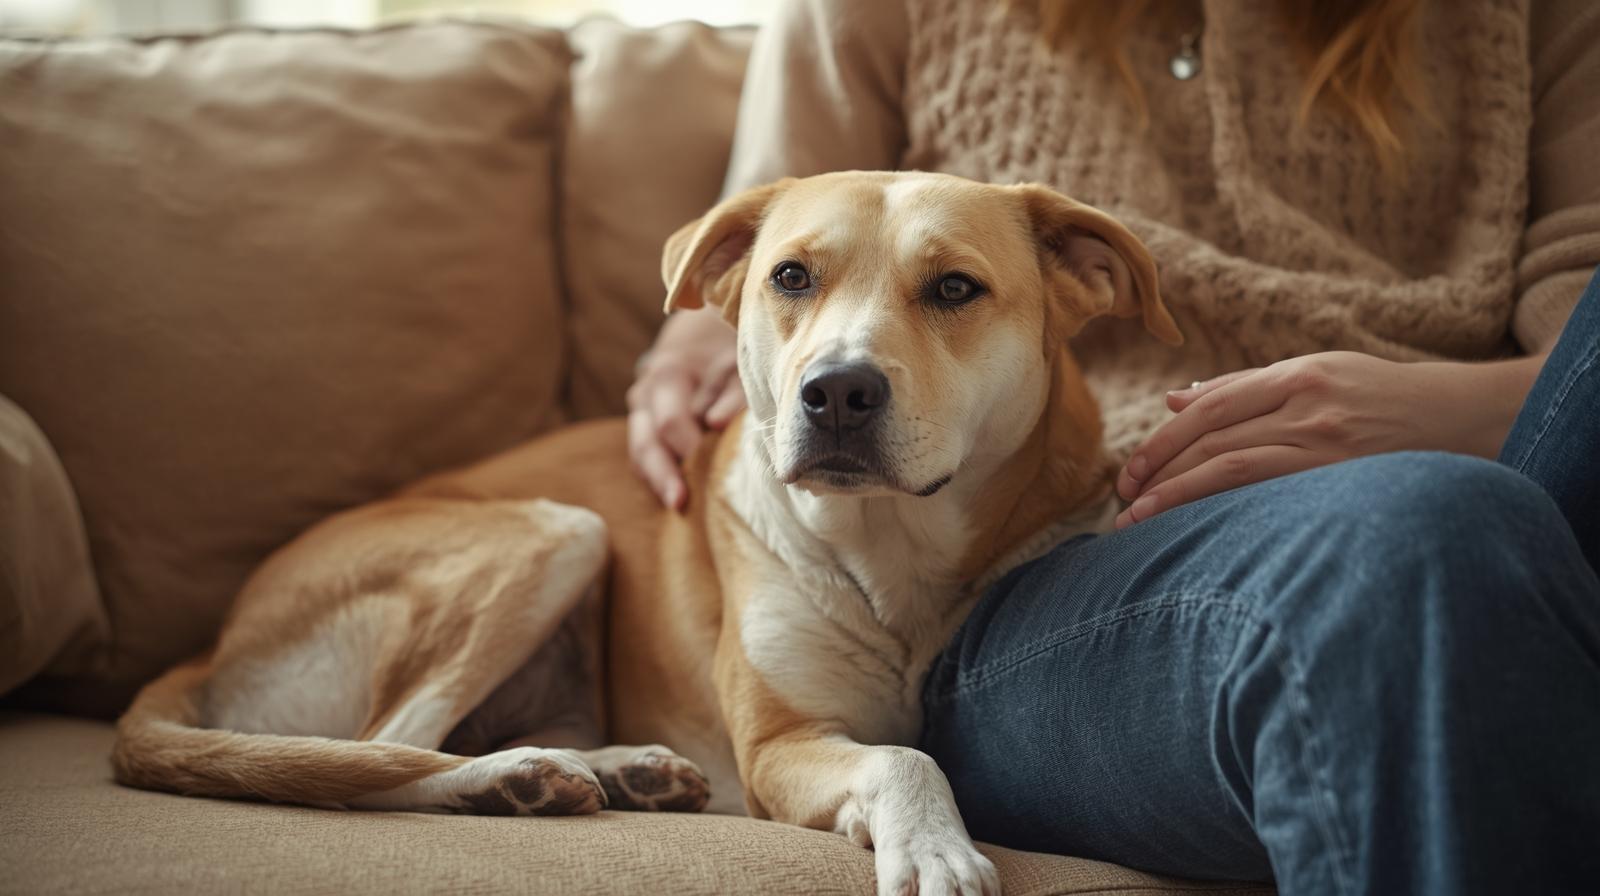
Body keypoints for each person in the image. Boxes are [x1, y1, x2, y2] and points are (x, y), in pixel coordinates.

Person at [628, 1, 1600, 892]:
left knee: (1450, 523)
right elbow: (760, 267)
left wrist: (1451, 408)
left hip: (1503, 488)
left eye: (951, 288)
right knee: (1424, 538)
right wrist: (686, 361)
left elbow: (1579, 350)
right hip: (1092, 561)